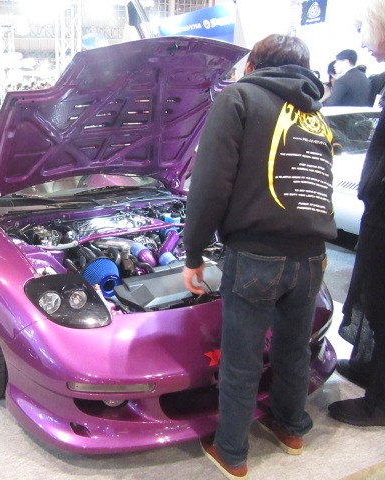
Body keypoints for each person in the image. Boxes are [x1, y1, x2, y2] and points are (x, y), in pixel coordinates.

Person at [182, 34, 336, 479]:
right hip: (312, 256)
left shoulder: (239, 98)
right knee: (294, 350)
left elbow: (211, 184)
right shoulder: (315, 114)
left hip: (256, 254)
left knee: (242, 357)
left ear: (252, 64)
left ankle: (231, 451)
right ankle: (291, 426)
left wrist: (193, 253)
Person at [327, 0, 385, 427]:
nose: (363, 42)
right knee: (373, 294)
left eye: (365, 30)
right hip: (378, 213)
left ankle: (380, 404)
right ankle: (369, 369)